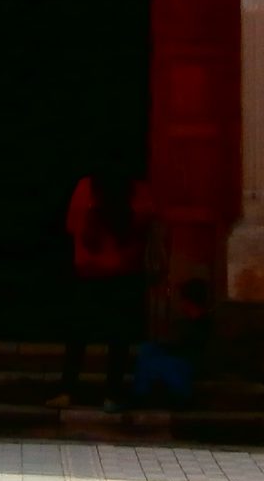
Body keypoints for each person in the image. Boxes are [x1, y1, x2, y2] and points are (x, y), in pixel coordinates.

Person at [52, 169, 151, 409]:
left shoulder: (86, 188)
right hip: (123, 274)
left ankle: (68, 390)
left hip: (89, 272)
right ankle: (112, 395)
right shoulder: (138, 192)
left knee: (78, 335)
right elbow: (146, 226)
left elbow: (70, 225)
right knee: (118, 338)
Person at [131, 277, 214, 407]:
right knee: (148, 349)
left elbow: (194, 348)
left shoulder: (205, 324)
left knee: (156, 365)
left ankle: (143, 396)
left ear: (188, 302)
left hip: (191, 363)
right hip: (180, 357)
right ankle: (141, 392)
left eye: (182, 300)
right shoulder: (185, 323)